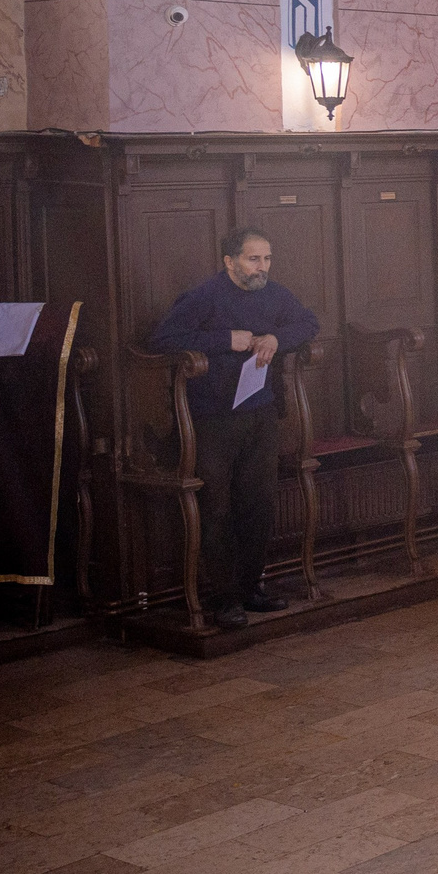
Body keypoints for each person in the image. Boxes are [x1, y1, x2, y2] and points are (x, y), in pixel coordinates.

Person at [149, 228, 320, 629]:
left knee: (258, 503)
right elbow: (163, 339)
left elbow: (308, 323)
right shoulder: (204, 296)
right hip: (212, 418)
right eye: (252, 259)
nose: (262, 267)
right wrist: (226, 339)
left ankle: (250, 589)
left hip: (260, 413)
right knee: (218, 508)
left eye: (266, 259)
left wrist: (277, 337)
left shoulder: (274, 293)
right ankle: (224, 599)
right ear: (230, 262)